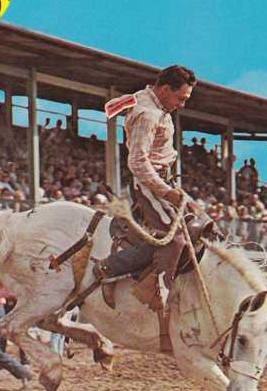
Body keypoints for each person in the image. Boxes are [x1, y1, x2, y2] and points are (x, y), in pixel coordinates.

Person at [93, 65, 220, 289]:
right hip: (148, 185)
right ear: (164, 90)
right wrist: (166, 192)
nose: (182, 105)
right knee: (175, 239)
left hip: (165, 179)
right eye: (180, 98)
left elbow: (120, 104)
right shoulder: (148, 114)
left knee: (207, 225)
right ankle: (118, 271)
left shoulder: (151, 100)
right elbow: (137, 162)